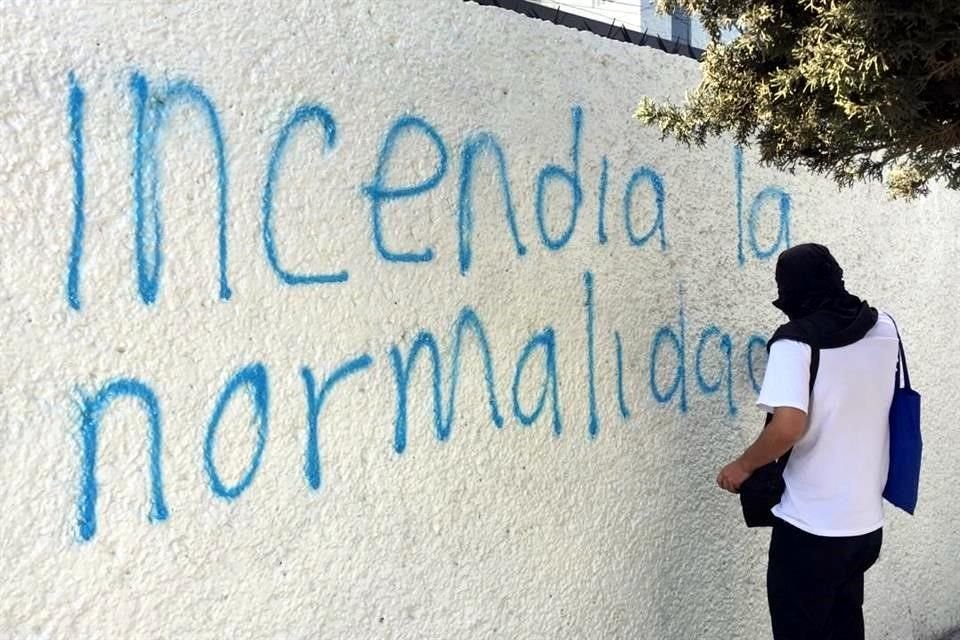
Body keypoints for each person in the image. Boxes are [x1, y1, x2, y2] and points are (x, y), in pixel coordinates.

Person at [716, 243, 899, 640]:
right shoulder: (885, 327)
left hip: (811, 530)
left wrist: (743, 466)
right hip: (865, 526)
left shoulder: (794, 342)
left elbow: (787, 427)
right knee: (844, 629)